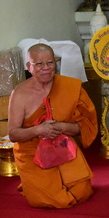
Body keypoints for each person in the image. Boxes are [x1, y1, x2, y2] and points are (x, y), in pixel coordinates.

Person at [8, 43, 98, 208]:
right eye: (39, 64)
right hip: (32, 151)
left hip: (63, 146)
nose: (46, 68)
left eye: (50, 62)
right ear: (29, 66)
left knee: (82, 192)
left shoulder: (70, 87)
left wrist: (62, 127)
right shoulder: (20, 94)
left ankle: (36, 184)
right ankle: (33, 184)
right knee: (52, 200)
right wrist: (38, 130)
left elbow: (84, 127)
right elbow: (13, 134)